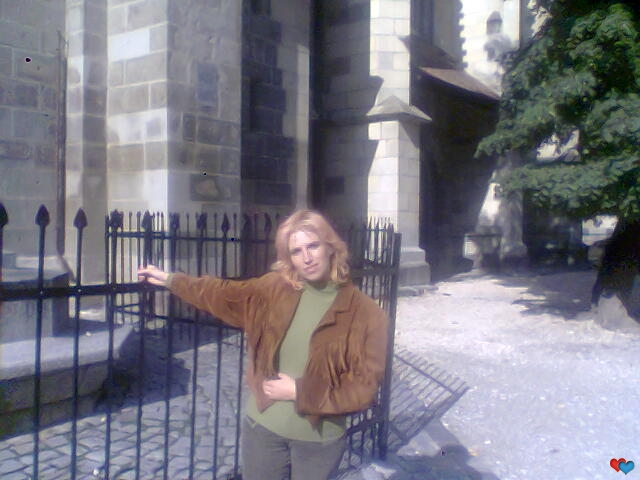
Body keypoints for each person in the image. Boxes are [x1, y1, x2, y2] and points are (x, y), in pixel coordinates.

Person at [138, 209, 389, 480]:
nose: (306, 258)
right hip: (263, 430)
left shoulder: (366, 314)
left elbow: (363, 389)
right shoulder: (275, 289)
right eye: (296, 251)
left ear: (330, 246)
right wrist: (171, 280)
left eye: (313, 246)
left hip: (318, 442)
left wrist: (300, 391)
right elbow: (223, 293)